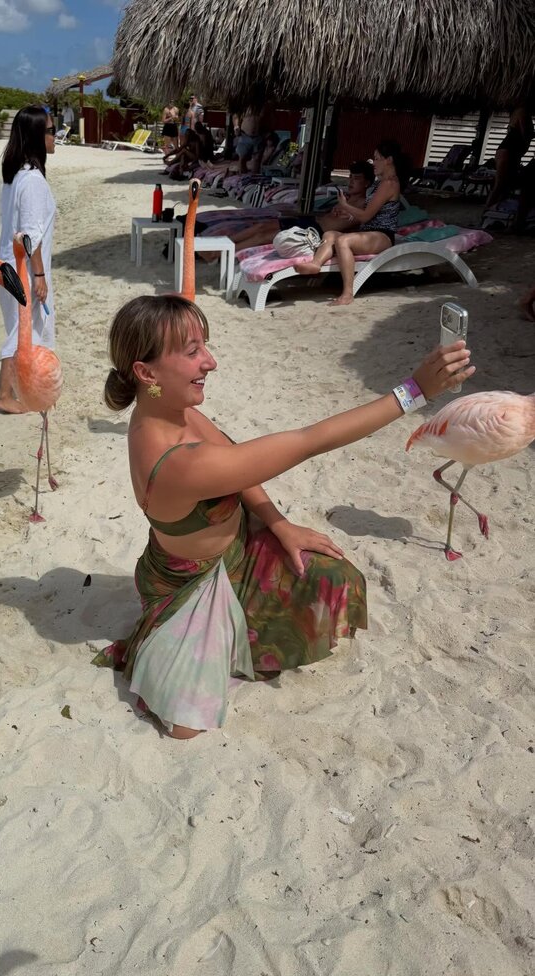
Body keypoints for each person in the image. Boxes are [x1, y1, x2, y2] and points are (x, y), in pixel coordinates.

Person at [94, 295, 473, 739]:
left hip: (238, 550)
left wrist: (278, 524)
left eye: (205, 346)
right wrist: (414, 391)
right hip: (192, 585)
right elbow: (308, 441)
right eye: (193, 351)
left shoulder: (173, 413)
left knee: (333, 577)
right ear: (147, 373)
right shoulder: (177, 462)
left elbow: (238, 467)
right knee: (185, 726)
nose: (210, 362)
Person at [0, 104, 56, 414]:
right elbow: (30, 236)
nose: (56, 137)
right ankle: (4, 395)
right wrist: (39, 276)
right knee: (22, 330)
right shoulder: (31, 180)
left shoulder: (16, 175)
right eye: (51, 131)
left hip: (8, 265)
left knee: (21, 328)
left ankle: (21, 386)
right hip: (22, 269)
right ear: (36, 136)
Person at [295, 139, 407, 306]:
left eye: (377, 158)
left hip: (382, 235)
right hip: (368, 232)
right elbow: (369, 213)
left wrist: (345, 205)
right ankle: (316, 264)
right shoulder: (379, 184)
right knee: (330, 234)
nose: (374, 163)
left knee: (343, 240)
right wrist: (348, 215)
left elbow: (366, 216)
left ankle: (347, 293)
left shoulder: (389, 183)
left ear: (388, 160)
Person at [201, 160, 375, 261]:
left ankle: (219, 255)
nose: (351, 181)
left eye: (356, 179)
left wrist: (345, 209)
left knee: (264, 236)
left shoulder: (363, 205)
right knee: (262, 226)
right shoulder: (346, 198)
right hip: (311, 223)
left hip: (314, 233)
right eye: (350, 177)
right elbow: (331, 216)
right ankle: (219, 245)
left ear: (367, 183)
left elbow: (359, 221)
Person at [483, 99, 534, 213]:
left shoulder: (518, 112)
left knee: (506, 184)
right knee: (500, 184)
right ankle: (486, 211)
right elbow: (525, 133)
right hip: (508, 151)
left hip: (510, 151)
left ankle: (496, 210)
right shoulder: (522, 111)